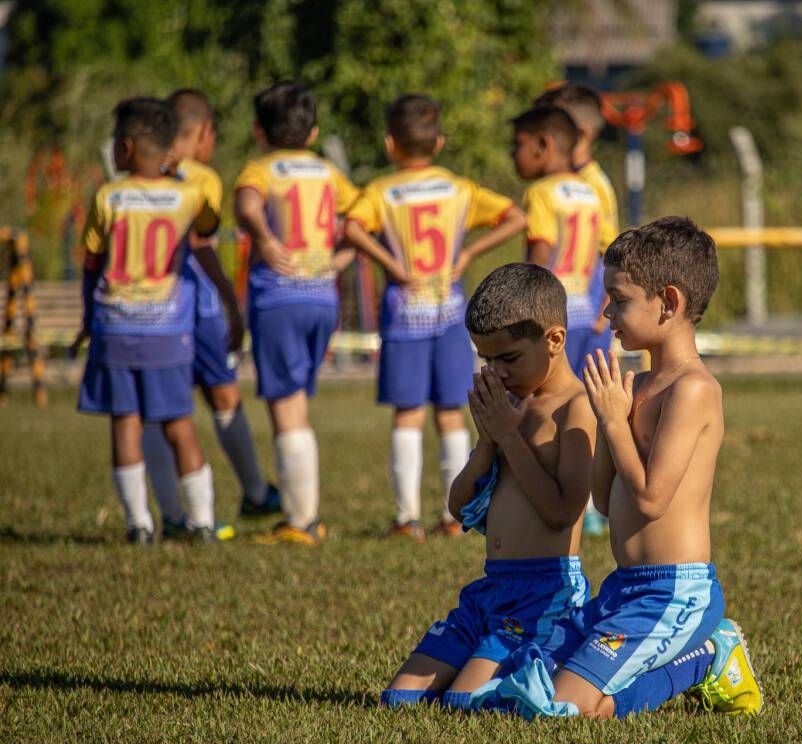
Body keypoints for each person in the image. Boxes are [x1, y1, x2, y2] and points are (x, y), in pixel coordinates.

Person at [463, 218, 761, 720]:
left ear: (669, 302)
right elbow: (604, 499)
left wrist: (612, 422)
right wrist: (611, 422)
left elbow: (650, 500)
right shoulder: (637, 385)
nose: (606, 311)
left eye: (619, 300)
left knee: (562, 709)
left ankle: (709, 655)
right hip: (624, 588)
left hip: (674, 590)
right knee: (513, 697)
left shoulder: (694, 389)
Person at [379, 263, 596, 711]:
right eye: (486, 360)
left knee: (463, 703)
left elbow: (561, 512)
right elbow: (460, 510)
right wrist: (486, 442)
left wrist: (510, 435)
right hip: (491, 589)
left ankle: (558, 658)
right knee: (399, 699)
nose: (495, 371)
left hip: (544, 596)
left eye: (509, 358)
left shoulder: (576, 410)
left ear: (554, 340)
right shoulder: (509, 404)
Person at [344, 93, 526, 541]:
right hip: (450, 318)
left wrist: (390, 262)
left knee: (407, 414)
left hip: (405, 317)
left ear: (390, 145)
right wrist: (468, 252)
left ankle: (407, 520)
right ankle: (454, 517)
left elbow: (350, 228)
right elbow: (516, 217)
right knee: (450, 413)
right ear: (439, 141)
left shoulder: (382, 191)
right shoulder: (459, 188)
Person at [72, 98, 225, 545]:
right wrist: (175, 174)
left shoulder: (108, 197)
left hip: (115, 326)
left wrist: (88, 319)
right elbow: (209, 222)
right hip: (168, 330)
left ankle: (139, 523)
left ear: (124, 148)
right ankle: (201, 521)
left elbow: (91, 265)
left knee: (125, 423)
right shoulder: (186, 194)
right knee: (180, 424)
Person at [141, 89, 279, 543]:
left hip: (147, 311)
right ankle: (255, 491)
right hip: (194, 306)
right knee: (223, 394)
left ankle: (169, 514)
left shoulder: (141, 176)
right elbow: (201, 246)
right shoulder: (202, 177)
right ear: (202, 132)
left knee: (157, 412)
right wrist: (229, 301)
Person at [234, 81, 359, 545]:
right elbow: (365, 213)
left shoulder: (260, 169)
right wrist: (343, 258)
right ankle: (304, 516)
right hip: (322, 297)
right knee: (297, 403)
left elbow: (247, 205)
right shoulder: (328, 172)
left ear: (258, 131)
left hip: (279, 296)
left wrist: (265, 241)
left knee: (285, 408)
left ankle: (300, 521)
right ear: (313, 133)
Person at [534, 83, 620, 537]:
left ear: (577, 132)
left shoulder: (586, 186)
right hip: (578, 309)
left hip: (581, 310)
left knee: (579, 402)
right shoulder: (581, 183)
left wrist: (606, 312)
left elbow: (609, 253)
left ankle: (585, 499)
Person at [511, 106, 603, 376]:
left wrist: (524, 308)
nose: (512, 154)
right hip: (584, 314)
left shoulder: (541, 192)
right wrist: (602, 312)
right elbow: (610, 252)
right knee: (580, 400)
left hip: (550, 321)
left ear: (542, 145)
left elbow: (541, 250)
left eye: (517, 144)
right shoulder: (591, 192)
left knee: (543, 406)